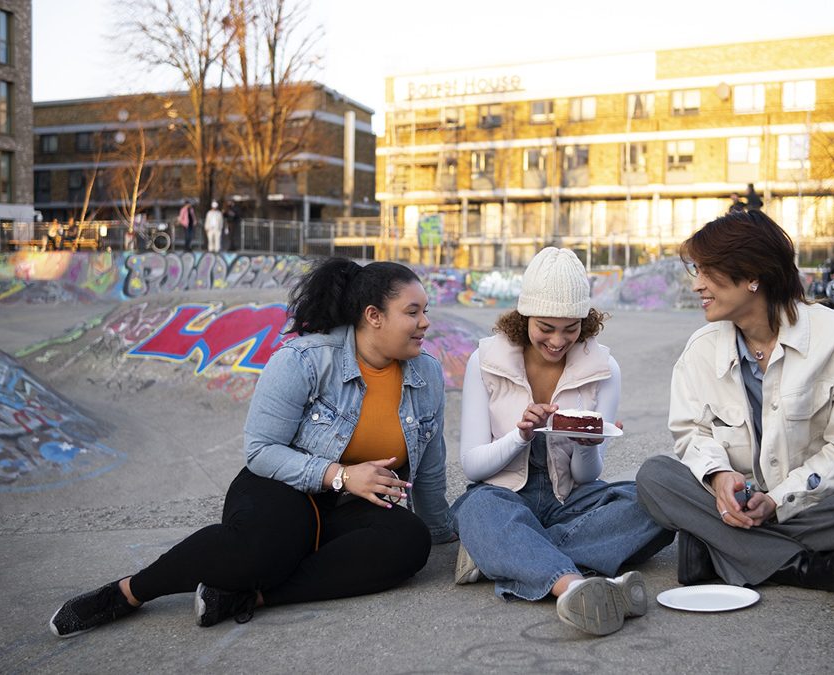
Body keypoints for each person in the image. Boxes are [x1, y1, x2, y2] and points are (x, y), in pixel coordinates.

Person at [49, 259, 455, 637]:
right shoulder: (304, 360)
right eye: (413, 312)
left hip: (354, 508)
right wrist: (342, 475)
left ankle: (249, 596)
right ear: (374, 316)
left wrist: (440, 530)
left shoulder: (427, 374)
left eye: (425, 312)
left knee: (409, 543)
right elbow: (261, 450)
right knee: (267, 552)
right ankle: (129, 592)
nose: (425, 323)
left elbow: (431, 463)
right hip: (281, 488)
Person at [635, 210, 834, 601]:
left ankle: (717, 549)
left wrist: (776, 500)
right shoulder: (700, 351)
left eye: (708, 272)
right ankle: (812, 569)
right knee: (654, 477)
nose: (697, 285)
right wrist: (719, 477)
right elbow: (692, 434)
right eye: (696, 272)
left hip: (809, 502)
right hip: (732, 503)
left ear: (753, 276)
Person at [453, 247, 673, 637]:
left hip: (570, 498)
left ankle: (504, 553)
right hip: (504, 495)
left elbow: (587, 478)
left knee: (654, 505)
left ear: (585, 322)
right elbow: (473, 466)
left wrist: (588, 444)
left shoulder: (604, 369)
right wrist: (520, 436)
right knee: (478, 508)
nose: (558, 341)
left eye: (570, 328)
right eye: (545, 327)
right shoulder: (485, 360)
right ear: (524, 317)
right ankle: (571, 586)